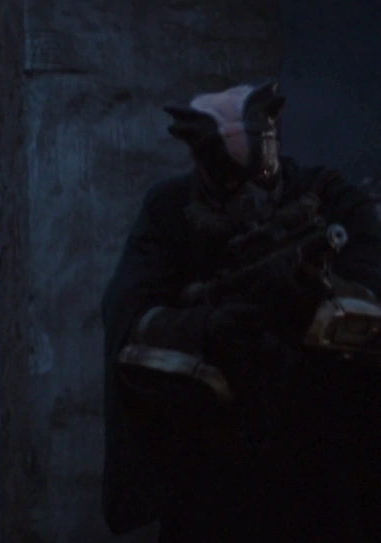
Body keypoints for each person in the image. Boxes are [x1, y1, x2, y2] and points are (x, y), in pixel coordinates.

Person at [102, 79, 381, 542]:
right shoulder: (170, 211)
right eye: (230, 177)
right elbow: (127, 316)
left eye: (261, 174)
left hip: (327, 459)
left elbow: (371, 300)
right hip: (215, 468)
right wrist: (205, 328)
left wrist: (314, 297)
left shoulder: (334, 200)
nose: (251, 196)